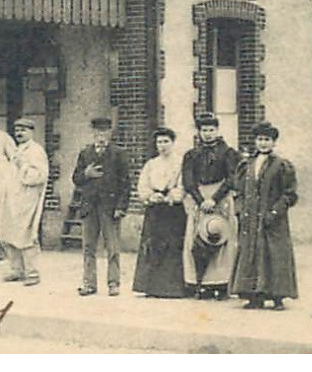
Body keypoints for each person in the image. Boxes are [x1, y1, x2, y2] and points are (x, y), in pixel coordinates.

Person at [231, 121, 299, 310]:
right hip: (250, 218)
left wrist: (275, 212)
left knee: (274, 254)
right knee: (251, 253)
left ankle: (277, 296)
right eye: (260, 139)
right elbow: (238, 191)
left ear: (273, 142)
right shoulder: (246, 165)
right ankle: (254, 295)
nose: (263, 143)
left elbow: (289, 194)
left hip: (272, 218)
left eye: (267, 140)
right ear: (255, 141)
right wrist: (240, 210)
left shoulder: (282, 165)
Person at [182, 113, 240, 299]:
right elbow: (188, 180)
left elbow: (232, 178)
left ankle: (222, 284)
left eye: (211, 130)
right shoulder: (191, 155)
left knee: (222, 238)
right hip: (199, 198)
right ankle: (201, 283)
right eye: (204, 130)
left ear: (217, 130)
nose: (207, 134)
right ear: (199, 132)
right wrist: (200, 201)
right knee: (197, 236)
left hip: (220, 198)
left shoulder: (229, 153)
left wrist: (214, 199)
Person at [71, 116, 130, 296]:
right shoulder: (85, 153)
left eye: (104, 132)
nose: (101, 136)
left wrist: (121, 206)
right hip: (89, 206)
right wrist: (86, 174)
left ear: (110, 133)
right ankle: (89, 283)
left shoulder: (118, 153)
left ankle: (113, 283)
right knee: (88, 247)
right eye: (97, 132)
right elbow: (76, 179)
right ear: (93, 134)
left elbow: (125, 183)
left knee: (112, 246)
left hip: (110, 207)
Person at [132, 126, 189, 298]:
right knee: (153, 246)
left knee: (173, 247)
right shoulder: (151, 164)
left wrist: (173, 195)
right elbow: (142, 185)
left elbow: (183, 184)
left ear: (173, 143)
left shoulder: (180, 163)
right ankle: (152, 287)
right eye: (159, 142)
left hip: (173, 210)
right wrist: (150, 195)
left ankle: (172, 288)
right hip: (155, 209)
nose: (162, 145)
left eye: (166, 141)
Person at [0, 118, 50, 286]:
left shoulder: (35, 151)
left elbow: (39, 176)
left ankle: (32, 272)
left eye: (23, 130)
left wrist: (22, 166)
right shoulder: (17, 150)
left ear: (31, 132)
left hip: (26, 199)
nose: (19, 133)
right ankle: (17, 269)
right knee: (8, 233)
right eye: (17, 130)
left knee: (25, 235)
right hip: (11, 198)